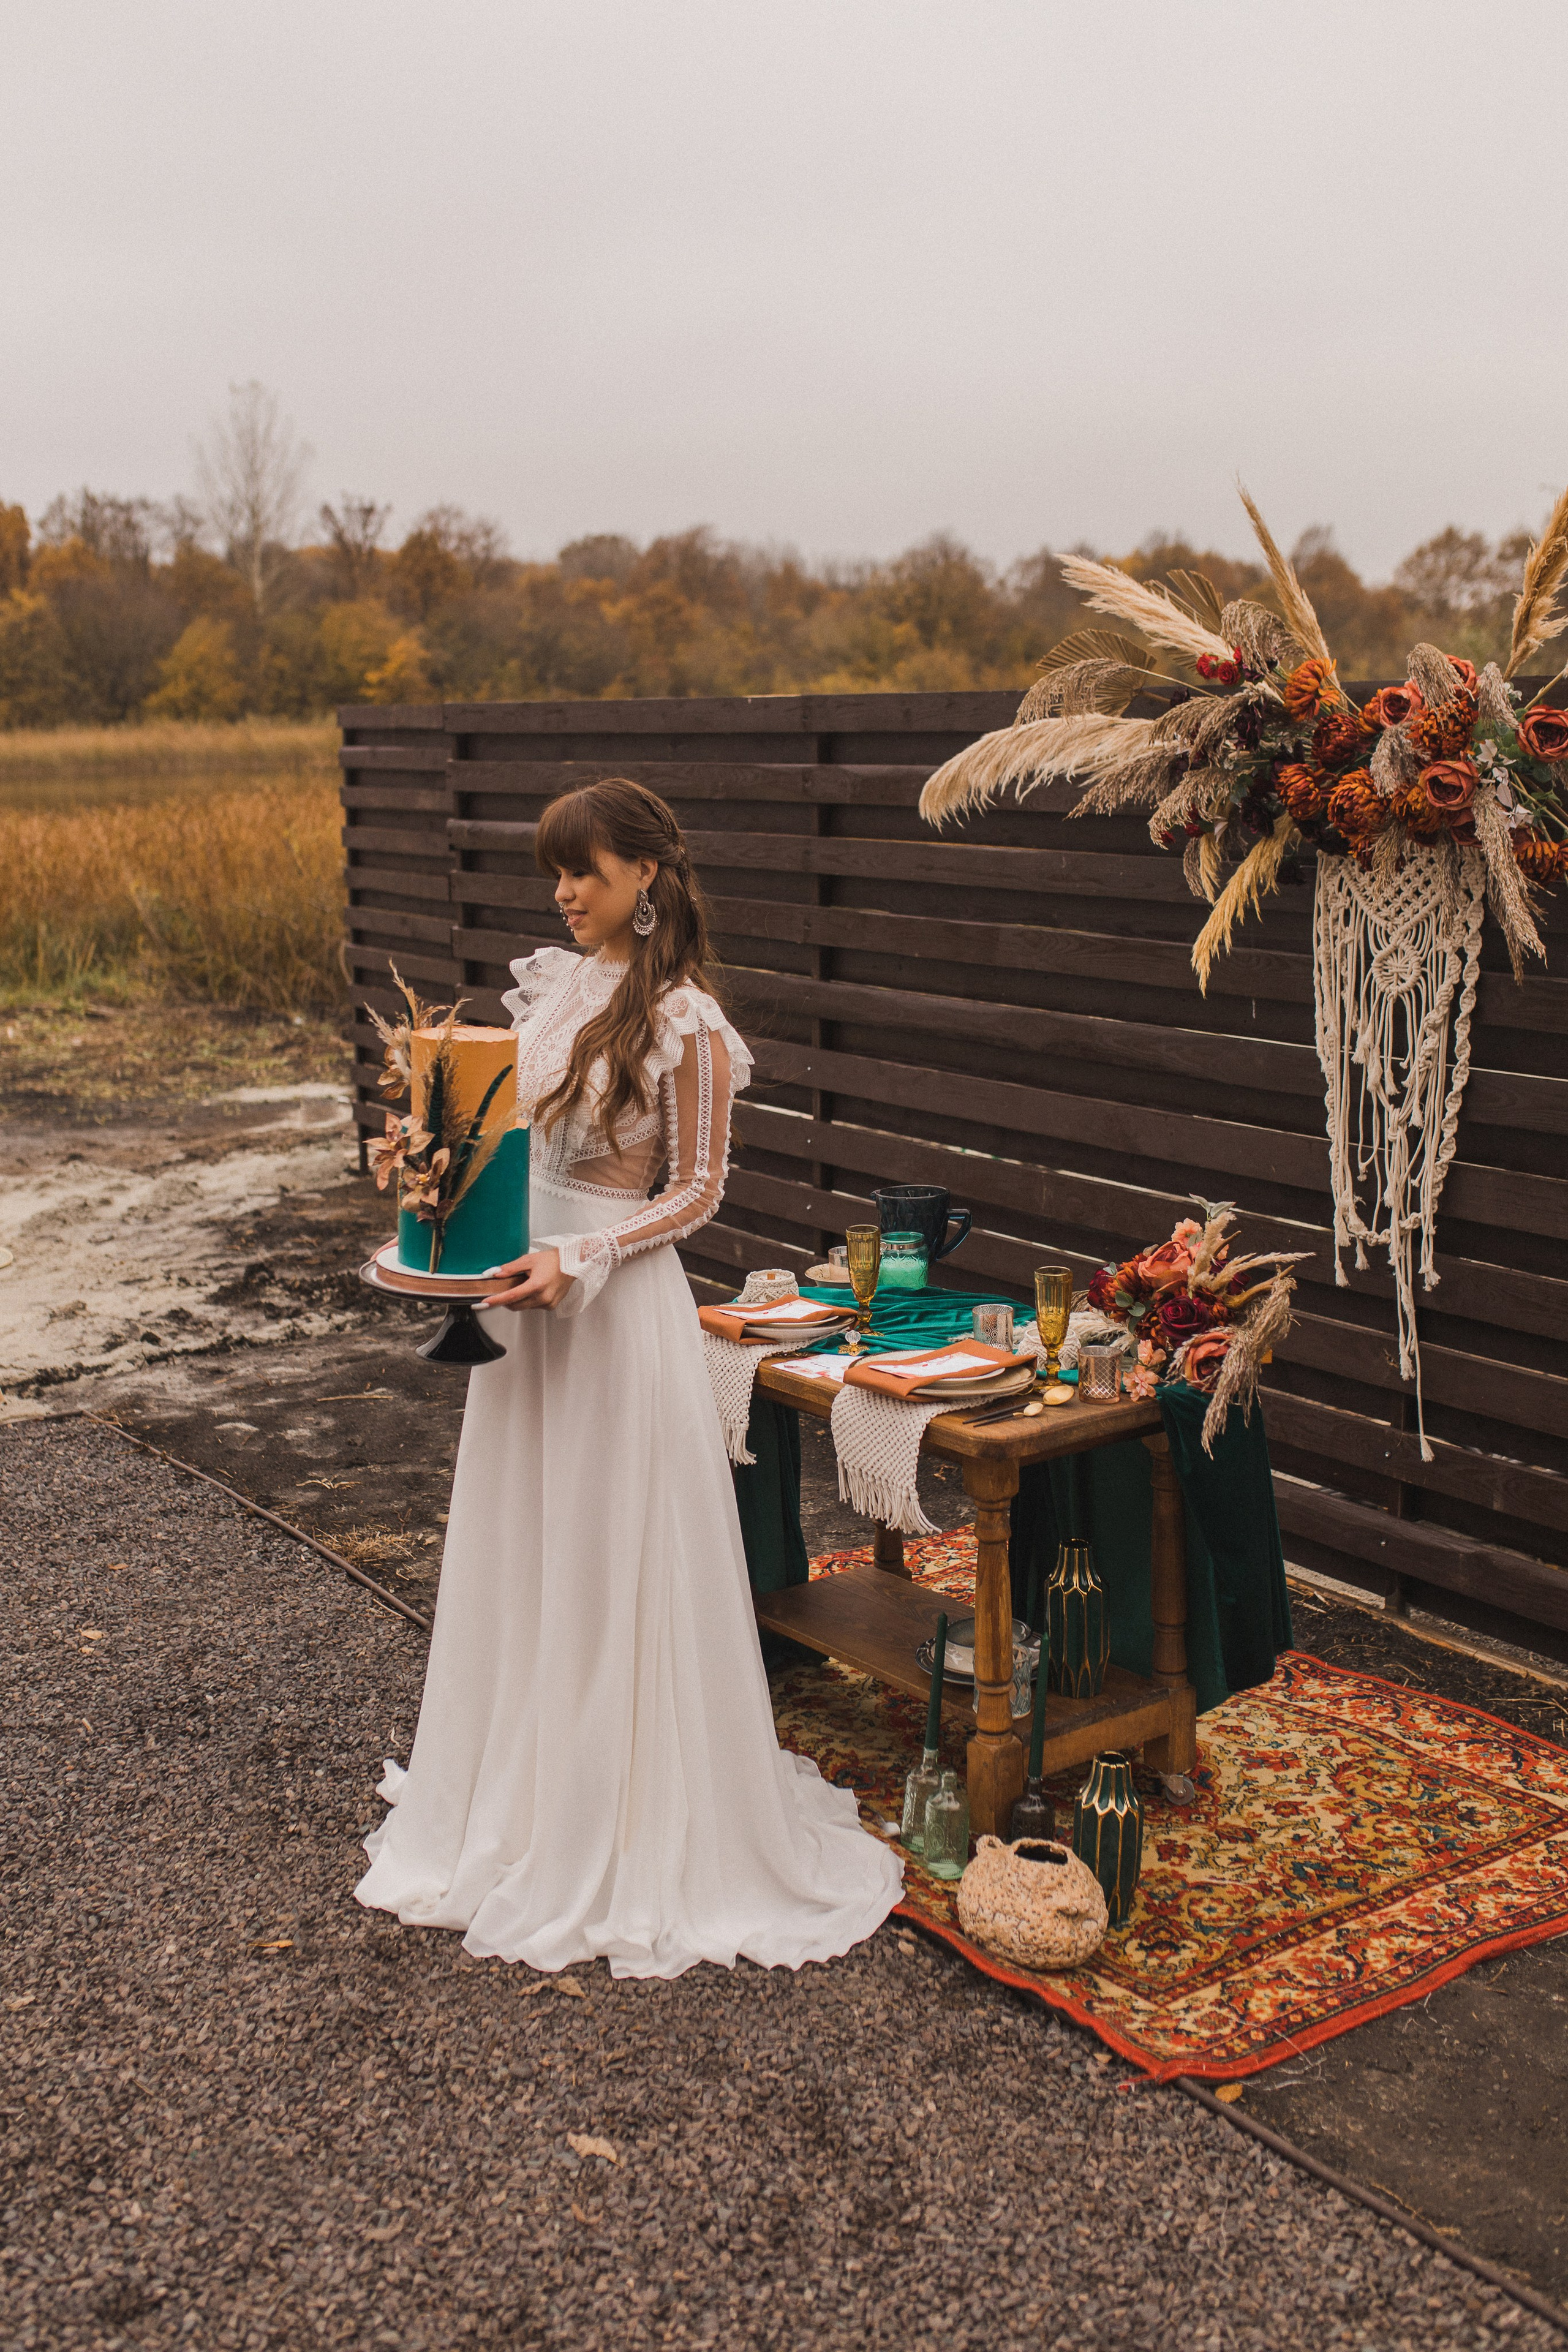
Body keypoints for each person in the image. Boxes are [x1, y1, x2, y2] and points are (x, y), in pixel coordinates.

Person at [356, 777, 902, 1975]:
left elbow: (697, 1193)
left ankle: (623, 1813)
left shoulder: (688, 1023)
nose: (564, 895)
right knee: (529, 1544)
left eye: (585, 873)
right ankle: (523, 1793)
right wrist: (432, 1173)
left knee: (610, 1550)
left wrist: (585, 1256)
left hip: (613, 1309)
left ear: (644, 876)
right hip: (524, 1307)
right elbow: (504, 1142)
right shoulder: (550, 992)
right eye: (555, 874)